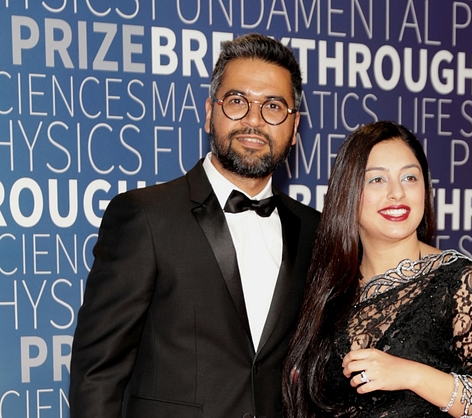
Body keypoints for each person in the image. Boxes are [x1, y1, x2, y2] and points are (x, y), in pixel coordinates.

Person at [69, 33, 320, 418]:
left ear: (294, 124)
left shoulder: (312, 230)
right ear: (209, 112)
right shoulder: (145, 216)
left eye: (273, 106)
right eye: (237, 102)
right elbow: (97, 375)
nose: (253, 120)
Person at [283, 121, 472, 417]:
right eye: (376, 180)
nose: (397, 193)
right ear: (347, 192)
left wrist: (411, 374)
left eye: (410, 177)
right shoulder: (328, 288)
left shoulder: (458, 280)